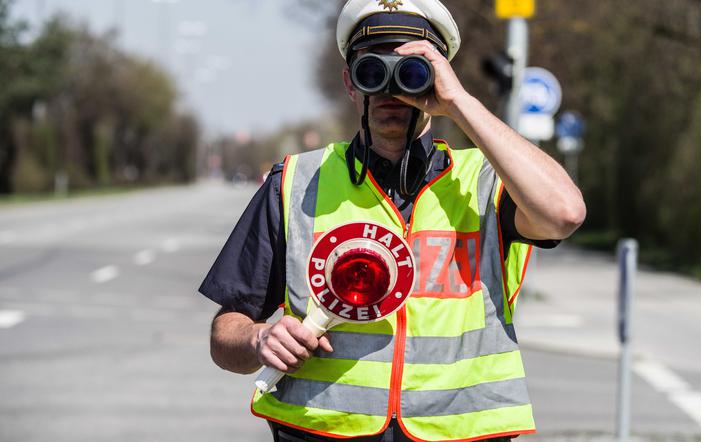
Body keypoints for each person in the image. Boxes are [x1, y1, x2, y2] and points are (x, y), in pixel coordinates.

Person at [200, 0, 585, 440]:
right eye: (371, 72)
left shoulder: (486, 184)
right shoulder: (295, 183)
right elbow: (225, 332)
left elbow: (564, 213)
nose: (390, 91)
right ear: (350, 83)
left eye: (411, 72)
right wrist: (257, 339)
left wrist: (457, 102)